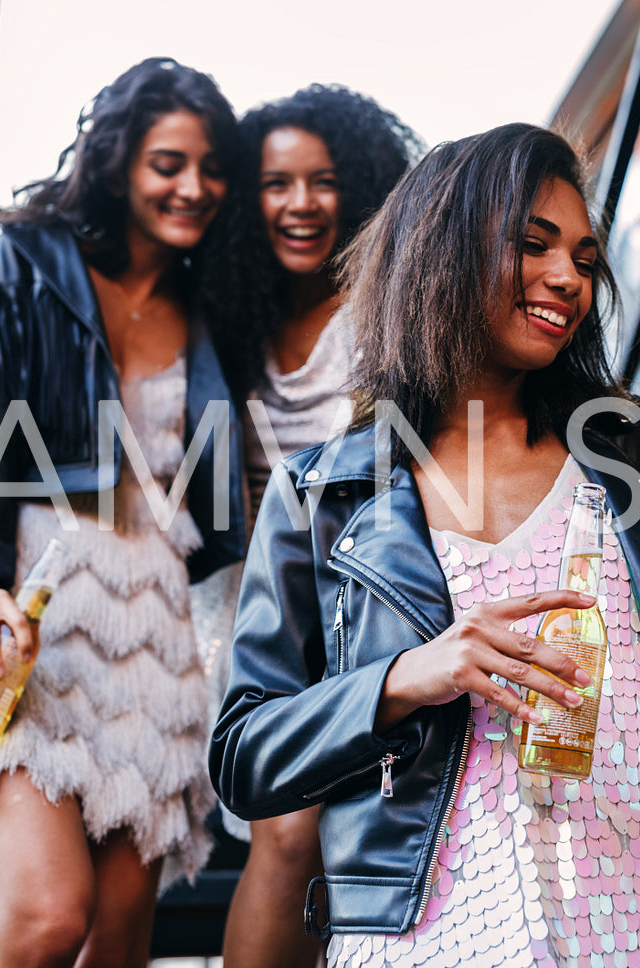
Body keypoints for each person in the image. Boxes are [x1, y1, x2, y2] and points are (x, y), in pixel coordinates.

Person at [210, 123, 640, 967]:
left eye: (585, 259)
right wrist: (407, 678)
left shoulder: (619, 450)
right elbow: (244, 753)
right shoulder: (324, 494)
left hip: (636, 920)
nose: (568, 278)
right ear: (442, 254)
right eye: (532, 245)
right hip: (430, 934)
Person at [0, 57, 244, 968]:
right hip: (21, 609)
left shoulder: (209, 308)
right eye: (169, 163)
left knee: (117, 946)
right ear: (121, 159)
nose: (193, 186)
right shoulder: (22, 263)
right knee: (46, 915)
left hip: (151, 634)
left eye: (211, 168)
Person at [196, 84, 420, 968]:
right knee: (282, 835)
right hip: (263, 607)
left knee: (352, 840)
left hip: (371, 597)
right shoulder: (228, 315)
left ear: (358, 186)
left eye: (321, 181)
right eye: (276, 183)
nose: (299, 204)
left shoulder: (388, 307)